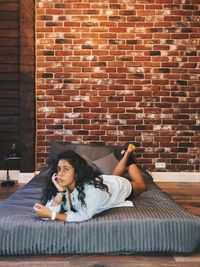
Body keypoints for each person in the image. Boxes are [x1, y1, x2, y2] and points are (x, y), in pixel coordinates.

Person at [33, 144, 146, 222]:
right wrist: (59, 193)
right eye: (58, 169)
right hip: (104, 182)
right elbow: (47, 211)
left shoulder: (92, 190)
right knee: (113, 176)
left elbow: (84, 215)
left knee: (141, 185)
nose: (60, 174)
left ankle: (129, 157)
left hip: (118, 188)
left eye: (66, 169)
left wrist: (51, 215)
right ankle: (126, 154)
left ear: (76, 173)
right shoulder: (62, 186)